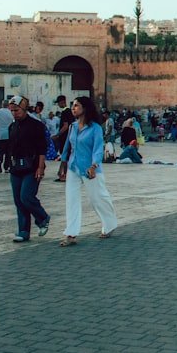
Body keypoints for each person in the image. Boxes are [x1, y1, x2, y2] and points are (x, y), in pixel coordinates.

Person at [59, 96, 118, 247]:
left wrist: (94, 166)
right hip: (73, 167)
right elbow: (67, 146)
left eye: (76, 106)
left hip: (90, 169)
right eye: (73, 105)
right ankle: (71, 233)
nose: (73, 108)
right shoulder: (72, 126)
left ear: (85, 108)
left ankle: (109, 223)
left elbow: (98, 149)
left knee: (96, 198)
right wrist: (63, 164)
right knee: (71, 199)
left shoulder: (95, 128)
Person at [6, 96, 50, 243]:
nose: (14, 113)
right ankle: (23, 231)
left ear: (24, 109)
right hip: (16, 167)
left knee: (26, 197)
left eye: (16, 110)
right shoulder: (12, 126)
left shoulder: (36, 125)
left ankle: (42, 217)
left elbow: (42, 148)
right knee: (18, 200)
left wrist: (41, 167)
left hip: (32, 166)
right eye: (11, 111)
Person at [53, 95, 74, 181]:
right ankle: (62, 173)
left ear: (62, 102)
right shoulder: (69, 111)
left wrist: (57, 135)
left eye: (58, 103)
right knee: (65, 155)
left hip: (65, 137)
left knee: (65, 155)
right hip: (68, 136)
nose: (58, 105)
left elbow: (65, 126)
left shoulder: (66, 112)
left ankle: (64, 174)